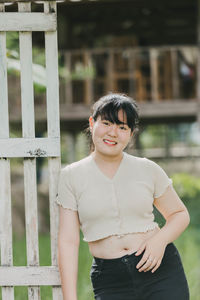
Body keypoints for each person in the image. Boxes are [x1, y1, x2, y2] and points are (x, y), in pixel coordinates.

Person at [56, 93, 190, 300]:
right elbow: (68, 241)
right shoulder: (71, 176)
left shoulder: (147, 169)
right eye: (107, 123)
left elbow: (179, 214)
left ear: (131, 133)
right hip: (110, 280)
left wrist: (160, 241)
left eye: (122, 127)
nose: (113, 133)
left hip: (159, 271)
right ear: (92, 123)